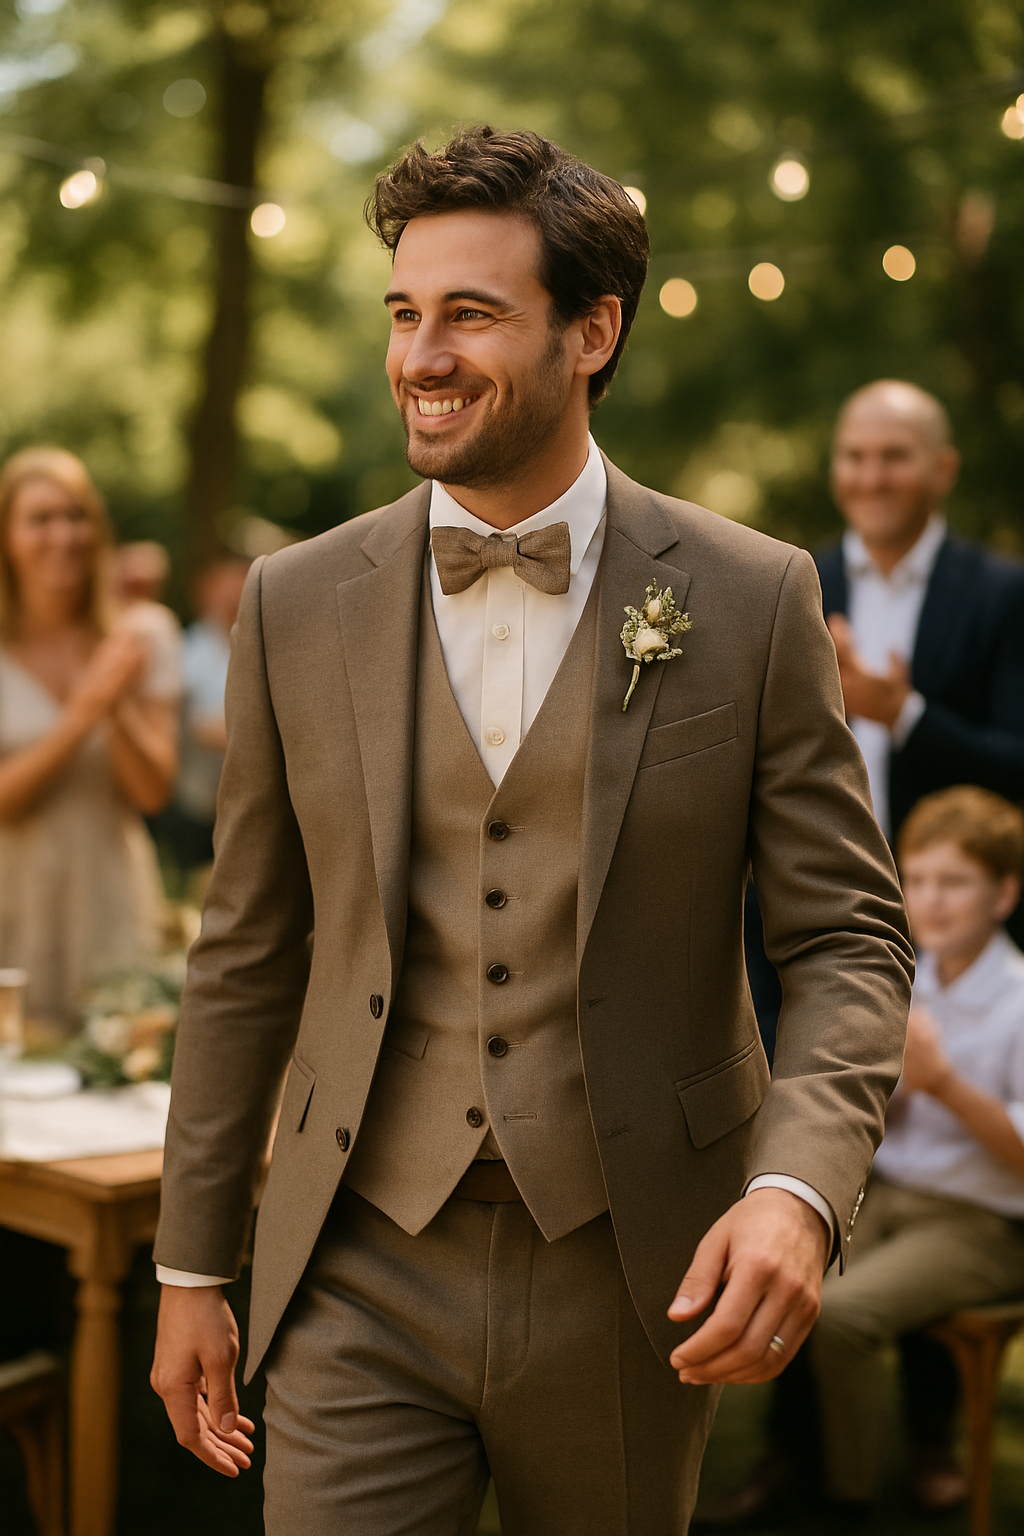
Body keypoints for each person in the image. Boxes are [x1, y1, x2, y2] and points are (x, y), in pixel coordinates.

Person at [150, 128, 913, 1535]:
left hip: (634, 1270)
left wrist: (801, 1189)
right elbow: (247, 946)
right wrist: (192, 1264)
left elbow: (849, 935)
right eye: (404, 313)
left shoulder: (751, 598)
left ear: (593, 330)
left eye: (471, 314)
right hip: (355, 1261)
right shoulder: (294, 602)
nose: (421, 355)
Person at [811, 786, 1024, 1517]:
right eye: (919, 879)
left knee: (839, 1316)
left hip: (982, 1223)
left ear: (1004, 893)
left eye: (955, 882)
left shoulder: (1020, 999)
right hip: (889, 1194)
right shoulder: (905, 982)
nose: (931, 900)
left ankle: (851, 1500)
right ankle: (797, 1463)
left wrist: (945, 1086)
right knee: (781, 1280)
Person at [0, 448, 179, 1034]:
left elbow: (152, 793)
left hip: (109, 906)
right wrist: (82, 714)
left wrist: (117, 705)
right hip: (14, 908)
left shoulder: (144, 633)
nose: (63, 535)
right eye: (40, 519)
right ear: (7, 535)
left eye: (76, 516)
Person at [154, 556, 250, 883]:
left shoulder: (267, 646)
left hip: (253, 808)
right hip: (198, 805)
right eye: (224, 589)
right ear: (206, 593)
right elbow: (196, 727)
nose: (232, 598)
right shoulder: (188, 651)